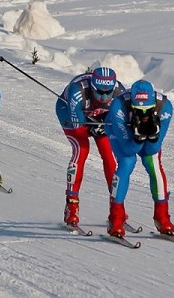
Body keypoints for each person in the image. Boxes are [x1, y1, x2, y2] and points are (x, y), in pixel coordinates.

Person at [105, 79, 174, 238]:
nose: (143, 115)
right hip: (118, 129)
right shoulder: (118, 106)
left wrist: (152, 136)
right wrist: (137, 138)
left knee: (153, 163)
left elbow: (153, 149)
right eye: (138, 110)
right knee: (127, 162)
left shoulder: (165, 107)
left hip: (141, 136)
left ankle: (162, 217)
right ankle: (115, 217)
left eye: (147, 110)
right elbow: (127, 148)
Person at [55, 67, 123, 227]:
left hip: (98, 117)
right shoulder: (78, 92)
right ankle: (71, 206)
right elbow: (78, 128)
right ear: (92, 87)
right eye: (99, 92)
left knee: (109, 155)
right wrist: (93, 127)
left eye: (108, 93)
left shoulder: (120, 93)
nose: (104, 97)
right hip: (70, 113)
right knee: (81, 149)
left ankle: (116, 207)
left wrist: (106, 126)